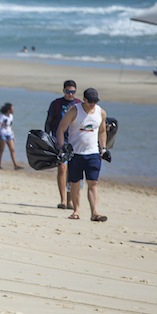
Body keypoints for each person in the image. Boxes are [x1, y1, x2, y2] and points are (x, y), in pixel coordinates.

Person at [56, 88, 108, 222]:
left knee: (93, 183)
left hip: (93, 153)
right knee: (75, 184)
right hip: (75, 154)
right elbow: (60, 129)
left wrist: (103, 149)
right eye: (90, 101)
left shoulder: (100, 112)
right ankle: (76, 211)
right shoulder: (74, 111)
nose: (92, 104)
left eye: (95, 101)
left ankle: (94, 213)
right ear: (84, 99)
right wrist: (62, 148)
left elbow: (102, 132)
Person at [45, 80, 80, 210]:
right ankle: (63, 200)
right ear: (63, 91)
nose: (70, 94)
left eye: (73, 92)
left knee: (73, 170)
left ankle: (70, 200)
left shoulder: (79, 105)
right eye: (68, 91)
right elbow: (48, 122)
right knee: (62, 168)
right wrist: (47, 138)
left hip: (74, 140)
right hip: (58, 138)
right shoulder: (56, 104)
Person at [0, 103, 23, 170]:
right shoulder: (2, 116)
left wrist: (12, 134)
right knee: (2, 150)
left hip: (9, 134)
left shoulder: (11, 116)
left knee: (12, 149)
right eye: (12, 109)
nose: (13, 110)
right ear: (8, 110)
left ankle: (15, 165)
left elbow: (10, 126)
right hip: (2, 134)